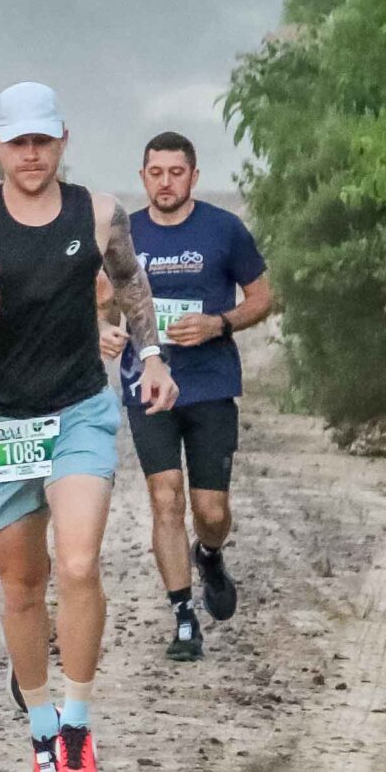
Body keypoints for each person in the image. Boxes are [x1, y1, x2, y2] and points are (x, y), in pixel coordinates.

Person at [0, 83, 175, 772]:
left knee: (80, 561)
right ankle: (42, 730)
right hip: (0, 424)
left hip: (79, 411)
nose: (30, 155)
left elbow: (131, 283)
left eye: (42, 141)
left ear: (62, 141)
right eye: (17, 142)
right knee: (22, 585)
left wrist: (152, 357)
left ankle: (80, 723)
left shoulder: (97, 211)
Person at [123, 131, 272, 661]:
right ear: (143, 176)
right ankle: (183, 615)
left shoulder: (223, 229)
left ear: (193, 176)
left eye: (176, 172)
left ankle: (209, 554)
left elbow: (262, 297)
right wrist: (106, 327)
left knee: (211, 510)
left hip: (209, 383)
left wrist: (219, 324)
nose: (166, 182)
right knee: (165, 498)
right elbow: (94, 298)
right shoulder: (124, 234)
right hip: (145, 384)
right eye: (156, 172)